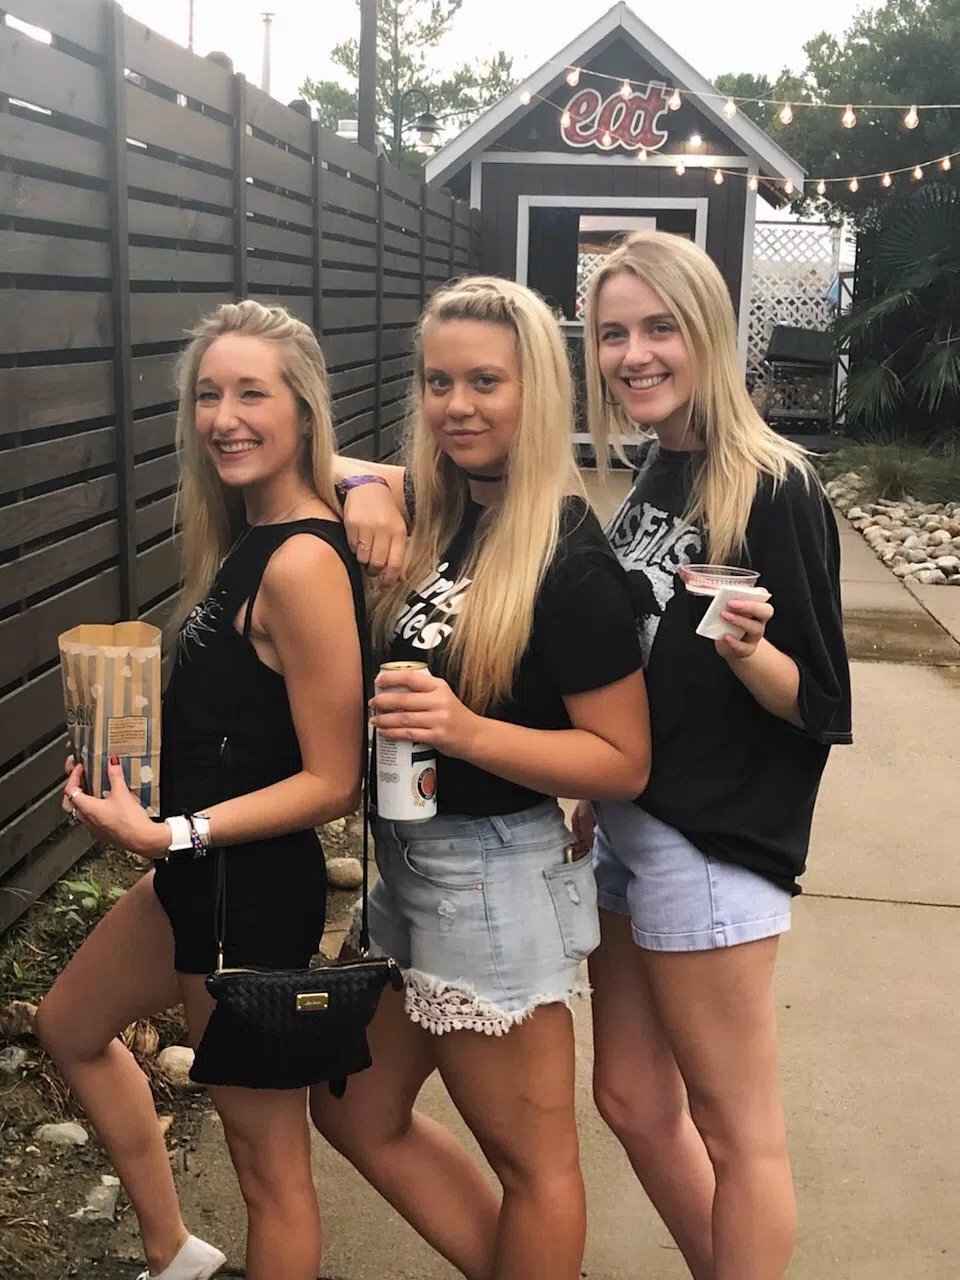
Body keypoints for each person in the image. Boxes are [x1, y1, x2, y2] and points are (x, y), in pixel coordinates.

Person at [310, 276, 651, 1280]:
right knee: (353, 1107)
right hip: (410, 869)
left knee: (534, 1164)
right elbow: (303, 450)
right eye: (438, 382)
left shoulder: (570, 560)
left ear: (535, 389)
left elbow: (623, 760)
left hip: (494, 879)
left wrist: (465, 731)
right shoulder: (443, 509)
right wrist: (369, 488)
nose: (456, 405)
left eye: (485, 382)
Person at [36, 301, 365, 1280]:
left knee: (271, 1174)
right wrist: (128, 782)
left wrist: (171, 831)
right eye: (208, 395)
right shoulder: (249, 535)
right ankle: (171, 1250)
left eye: (252, 393)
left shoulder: (302, 561)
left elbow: (332, 780)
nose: (224, 417)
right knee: (69, 1024)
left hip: (245, 898)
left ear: (303, 410)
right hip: (196, 877)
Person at [575, 230, 852, 1280]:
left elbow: (819, 701)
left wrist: (748, 652)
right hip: (631, 820)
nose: (635, 354)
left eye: (659, 328)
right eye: (614, 334)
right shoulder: (660, 462)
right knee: (629, 1097)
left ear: (706, 332)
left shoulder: (775, 483)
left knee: (739, 1132)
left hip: (711, 839)